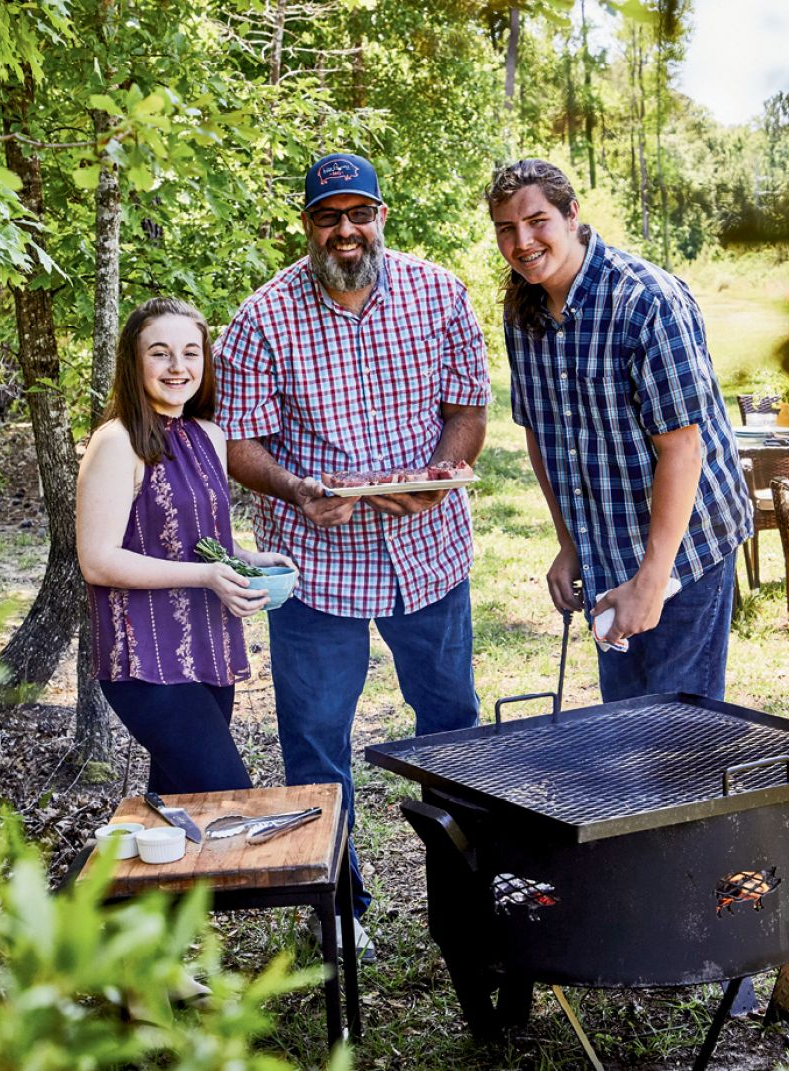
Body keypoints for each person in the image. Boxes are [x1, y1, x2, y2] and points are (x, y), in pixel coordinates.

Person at [214, 152, 490, 956]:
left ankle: (467, 892)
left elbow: (466, 410)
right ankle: (340, 905)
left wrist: (441, 474)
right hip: (316, 561)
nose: (345, 231)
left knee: (452, 725)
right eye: (328, 216)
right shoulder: (263, 315)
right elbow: (241, 444)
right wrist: (297, 488)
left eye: (357, 213)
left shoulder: (439, 292)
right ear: (306, 226)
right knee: (314, 737)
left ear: (380, 216)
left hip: (427, 549)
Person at [485, 158, 752, 703]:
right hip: (606, 546)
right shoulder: (522, 314)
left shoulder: (646, 302)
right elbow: (541, 434)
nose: (523, 241)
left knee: (680, 736)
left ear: (571, 216)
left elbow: (683, 447)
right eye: (507, 229)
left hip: (686, 550)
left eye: (537, 221)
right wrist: (569, 543)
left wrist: (652, 582)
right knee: (626, 724)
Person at [77, 297, 296, 795]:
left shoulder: (209, 435)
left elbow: (196, 542)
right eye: (160, 353)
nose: (178, 367)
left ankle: (128, 877)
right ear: (133, 363)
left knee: (181, 810)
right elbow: (98, 559)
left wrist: (244, 559)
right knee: (228, 798)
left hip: (208, 644)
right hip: (144, 659)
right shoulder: (117, 441)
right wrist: (206, 576)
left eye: (191, 352)